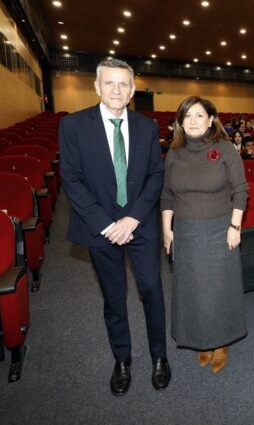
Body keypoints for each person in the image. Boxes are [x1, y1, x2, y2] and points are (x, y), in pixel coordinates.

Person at [58, 58, 170, 396]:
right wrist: (108, 225)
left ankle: (159, 357)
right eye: (110, 83)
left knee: (152, 290)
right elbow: (72, 180)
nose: (117, 90)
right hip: (100, 227)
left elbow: (155, 176)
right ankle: (121, 359)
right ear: (97, 87)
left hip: (141, 223)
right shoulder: (74, 126)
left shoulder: (147, 127)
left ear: (133, 89)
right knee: (113, 297)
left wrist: (133, 217)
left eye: (124, 84)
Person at [160, 96, 248, 375]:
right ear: (180, 122)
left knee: (218, 290)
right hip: (185, 232)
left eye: (199, 115)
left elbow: (241, 191)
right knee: (193, 290)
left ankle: (220, 343)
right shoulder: (173, 153)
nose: (193, 121)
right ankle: (202, 340)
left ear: (211, 120)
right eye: (187, 116)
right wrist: (167, 229)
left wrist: (235, 227)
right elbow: (167, 194)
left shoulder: (224, 149)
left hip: (219, 230)